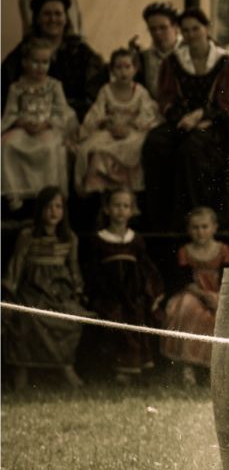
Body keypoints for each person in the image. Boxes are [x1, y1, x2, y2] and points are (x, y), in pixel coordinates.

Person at [140, 8, 229, 228]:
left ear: (206, 28)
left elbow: (228, 103)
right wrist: (184, 118)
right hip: (181, 122)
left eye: (195, 28)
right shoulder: (173, 62)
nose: (191, 34)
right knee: (155, 143)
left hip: (216, 124)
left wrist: (201, 116)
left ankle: (197, 218)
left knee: (192, 149)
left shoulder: (224, 62)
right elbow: (166, 99)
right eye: (185, 30)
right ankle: (159, 220)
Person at [2, 187, 88, 390]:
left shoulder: (69, 238)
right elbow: (16, 265)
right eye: (48, 206)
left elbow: (74, 268)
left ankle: (66, 368)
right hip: (32, 289)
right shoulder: (28, 236)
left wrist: (78, 291)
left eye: (58, 206)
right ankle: (21, 373)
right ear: (40, 209)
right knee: (25, 317)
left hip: (59, 291)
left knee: (69, 316)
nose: (53, 211)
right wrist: (9, 291)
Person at [84, 188, 162, 384]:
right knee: (115, 316)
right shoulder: (98, 239)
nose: (121, 210)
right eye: (116, 205)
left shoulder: (135, 240)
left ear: (131, 210)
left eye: (125, 206)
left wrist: (151, 292)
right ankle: (120, 370)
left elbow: (146, 269)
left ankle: (135, 368)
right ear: (107, 209)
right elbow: (93, 273)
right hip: (108, 295)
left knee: (137, 314)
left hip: (133, 294)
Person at [160, 206, 229, 385]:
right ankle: (188, 366)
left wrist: (216, 296)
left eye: (204, 227)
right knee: (188, 308)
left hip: (218, 291)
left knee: (218, 312)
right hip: (193, 292)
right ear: (188, 230)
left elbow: (228, 277)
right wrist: (202, 294)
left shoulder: (222, 249)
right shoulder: (185, 251)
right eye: (195, 228)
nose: (200, 232)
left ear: (214, 227)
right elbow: (185, 280)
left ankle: (213, 367)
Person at [1, 0, 105, 121]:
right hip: (32, 119)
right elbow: (5, 86)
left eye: (58, 14)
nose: (53, 19)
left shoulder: (81, 52)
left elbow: (96, 92)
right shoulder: (24, 51)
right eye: (47, 14)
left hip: (73, 118)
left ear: (66, 18)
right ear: (37, 19)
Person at [75, 48, 160, 194]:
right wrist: (108, 123)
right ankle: (100, 191)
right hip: (110, 131)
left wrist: (130, 125)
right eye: (118, 67)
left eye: (127, 67)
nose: (123, 72)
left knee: (135, 147)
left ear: (135, 69)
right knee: (94, 149)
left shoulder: (140, 92)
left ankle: (129, 193)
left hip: (132, 132)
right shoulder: (106, 90)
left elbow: (149, 114)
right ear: (112, 70)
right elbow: (97, 113)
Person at [2, 39, 76, 202]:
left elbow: (62, 112)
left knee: (49, 147)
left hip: (47, 127)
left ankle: (48, 193)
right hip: (23, 127)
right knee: (8, 144)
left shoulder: (54, 86)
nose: (40, 67)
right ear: (25, 62)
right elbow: (11, 112)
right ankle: (15, 192)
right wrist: (20, 122)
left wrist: (47, 123)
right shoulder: (16, 87)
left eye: (45, 62)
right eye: (35, 62)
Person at [132, 1, 181, 92]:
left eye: (163, 28)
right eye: (152, 29)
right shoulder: (143, 59)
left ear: (176, 27)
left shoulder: (189, 54)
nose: (157, 33)